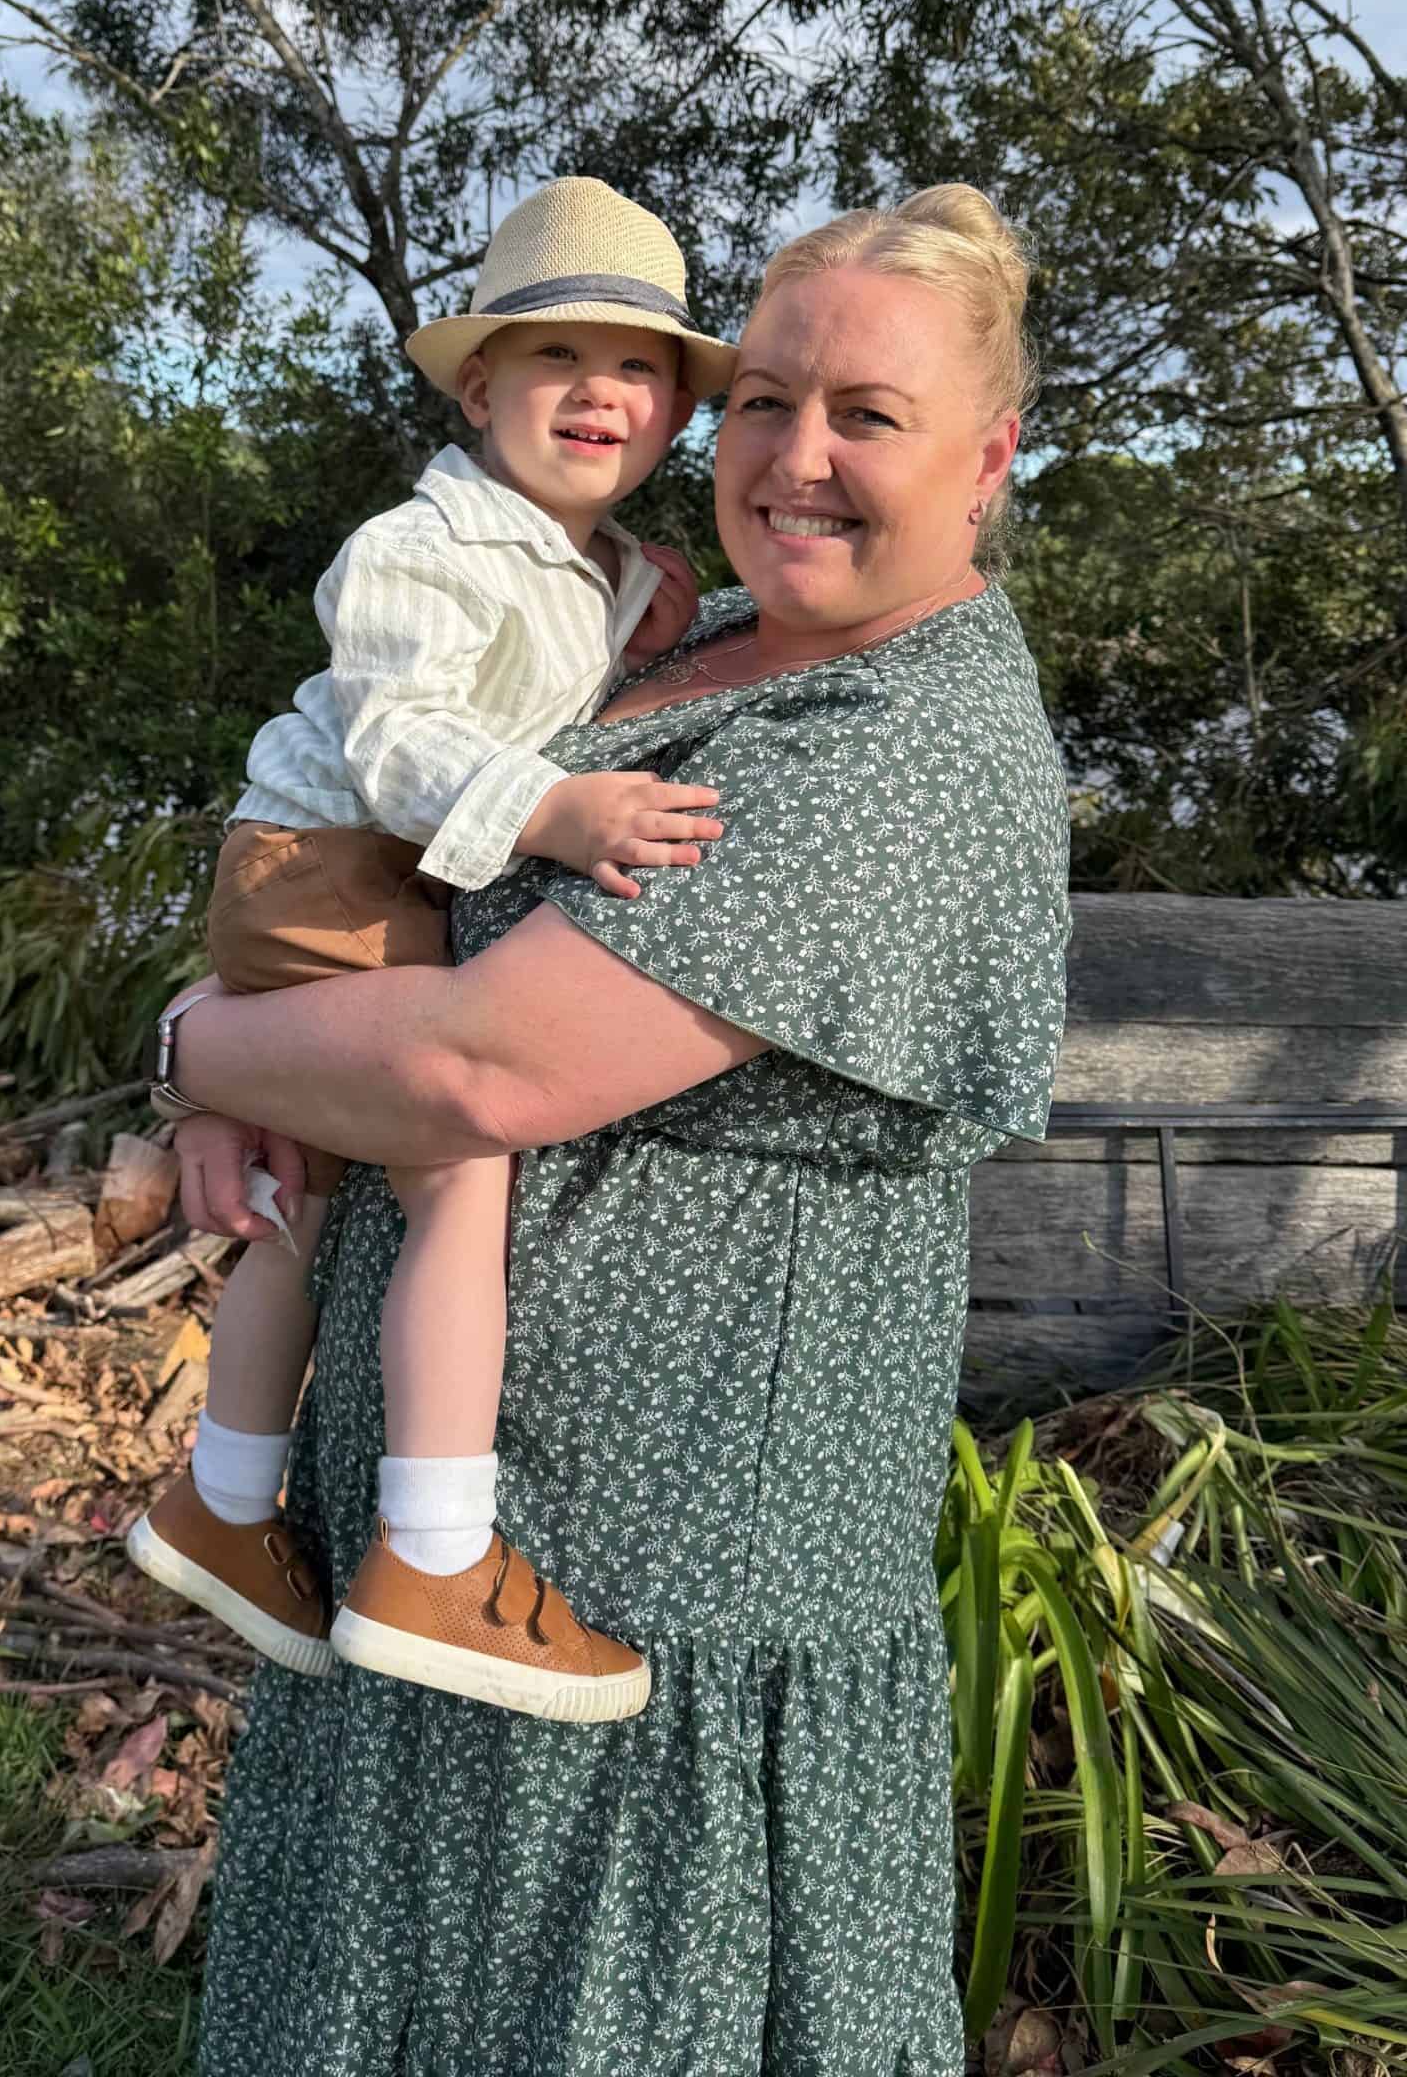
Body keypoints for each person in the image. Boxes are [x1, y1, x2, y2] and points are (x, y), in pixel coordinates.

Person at [163, 186, 1072, 2076]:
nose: (795, 458)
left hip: (664, 1602)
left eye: (866, 418)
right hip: (453, 1555)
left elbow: (481, 1069)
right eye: (763, 401)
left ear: (988, 462)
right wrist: (245, 1057)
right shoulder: (679, 634)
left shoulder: (901, 747)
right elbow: (389, 865)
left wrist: (207, 1043)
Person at [127, 177, 736, 1722]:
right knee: (458, 1160)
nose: (600, 392)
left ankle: (226, 1493)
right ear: (480, 388)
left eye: (640, 369)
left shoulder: (602, 570)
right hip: (334, 865)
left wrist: (641, 624)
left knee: (297, 1180)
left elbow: (575, 664)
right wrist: (562, 810)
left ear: (672, 411)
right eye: (555, 361)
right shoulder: (422, 547)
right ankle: (435, 1552)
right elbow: (401, 744)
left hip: (363, 879)